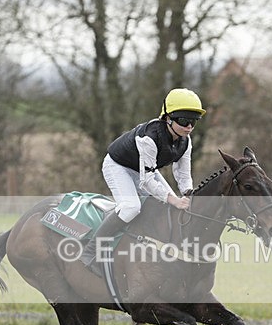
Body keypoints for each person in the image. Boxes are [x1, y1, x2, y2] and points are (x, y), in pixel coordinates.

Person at [80, 87, 206, 276]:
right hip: (118, 166)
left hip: (144, 169)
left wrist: (188, 194)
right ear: (168, 118)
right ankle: (90, 252)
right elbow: (146, 181)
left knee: (169, 205)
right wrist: (173, 199)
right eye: (184, 120)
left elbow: (183, 174)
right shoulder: (149, 137)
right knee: (131, 207)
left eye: (194, 122)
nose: (189, 127)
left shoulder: (185, 141)